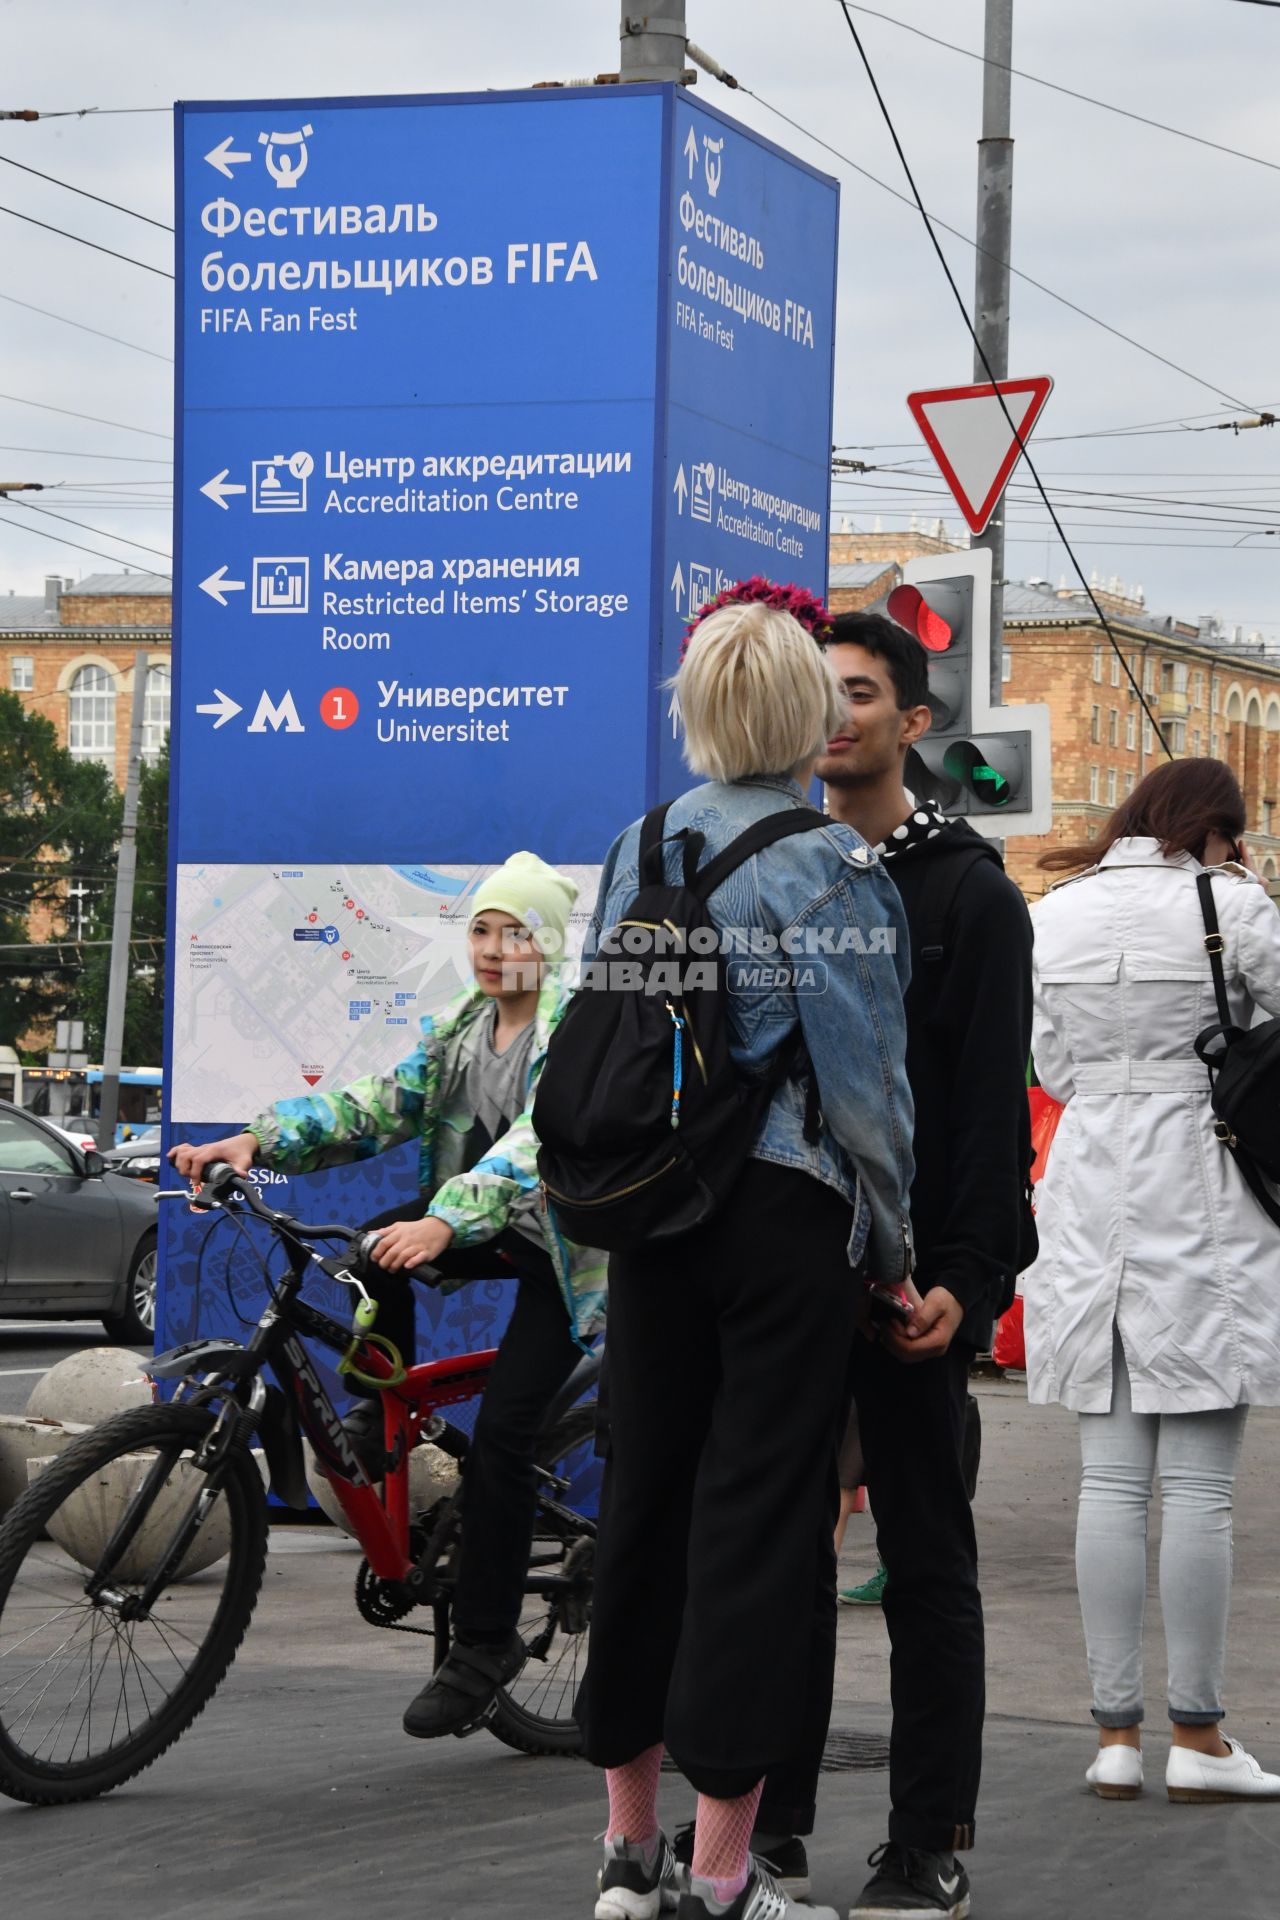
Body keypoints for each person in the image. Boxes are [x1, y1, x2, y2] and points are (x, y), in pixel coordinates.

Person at [576, 582, 916, 1920]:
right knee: (758, 1528)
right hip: (778, 1220)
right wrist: (886, 1248)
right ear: (795, 709)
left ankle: (624, 1853)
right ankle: (723, 1877)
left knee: (644, 1503)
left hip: (651, 1217)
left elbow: (627, 1037)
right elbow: (865, 1092)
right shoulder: (828, 866)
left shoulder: (637, 847)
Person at [169, 851, 606, 1740]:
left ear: (547, 945)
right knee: (371, 1254)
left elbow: (531, 1146)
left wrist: (444, 1223)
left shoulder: (573, 1031)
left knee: (506, 1444)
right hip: (484, 1223)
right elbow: (374, 1105)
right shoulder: (461, 1027)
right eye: (481, 928)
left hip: (562, 1253)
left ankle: (485, 1646)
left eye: (514, 932)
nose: (492, 948)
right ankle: (381, 1409)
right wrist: (258, 1139)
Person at [744, 608, 1034, 1920]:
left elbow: (984, 1117)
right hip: (793, 1277)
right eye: (820, 690)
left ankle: (927, 1839)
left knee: (925, 1561)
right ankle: (771, 1826)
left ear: (914, 724)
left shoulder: (967, 892)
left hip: (916, 1285)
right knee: (782, 1555)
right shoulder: (778, 870)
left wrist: (967, 1284)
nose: (835, 712)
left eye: (859, 693)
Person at [1026, 757, 1280, 1803]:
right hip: (1201, 1173)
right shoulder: (1232, 903)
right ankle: (1199, 1734)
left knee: (1109, 1480)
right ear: (1217, 828)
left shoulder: (1059, 912)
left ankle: (1114, 1737)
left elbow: (1045, 1063)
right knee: (1197, 1490)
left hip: (1087, 1173)